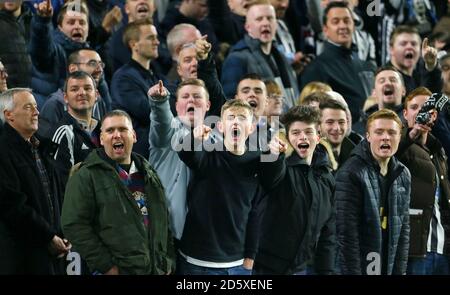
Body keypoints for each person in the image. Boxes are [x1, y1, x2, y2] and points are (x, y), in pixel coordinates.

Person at [176, 99, 284, 275]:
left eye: (242, 118)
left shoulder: (257, 161)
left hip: (237, 264)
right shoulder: (207, 154)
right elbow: (186, 154)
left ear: (251, 128)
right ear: (220, 126)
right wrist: (194, 138)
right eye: (231, 117)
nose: (236, 121)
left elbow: (259, 209)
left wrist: (276, 156)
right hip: (195, 260)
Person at [61, 110, 175, 275]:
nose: (116, 135)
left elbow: (163, 220)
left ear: (134, 136)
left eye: (122, 129)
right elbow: (73, 224)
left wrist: (168, 261)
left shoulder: (149, 172)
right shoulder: (86, 175)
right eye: (110, 130)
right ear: (101, 139)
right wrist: (106, 266)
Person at [254, 105, 336, 275]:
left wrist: (326, 271)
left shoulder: (327, 177)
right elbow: (269, 175)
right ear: (289, 138)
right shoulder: (280, 166)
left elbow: (329, 232)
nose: (302, 137)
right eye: (296, 133)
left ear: (318, 136)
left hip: (300, 268)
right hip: (264, 267)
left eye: (308, 131)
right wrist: (273, 155)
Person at [0, 88, 70, 274]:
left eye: (36, 107)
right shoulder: (3, 152)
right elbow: (12, 205)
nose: (37, 112)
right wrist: (47, 236)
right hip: (20, 257)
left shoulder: (42, 149)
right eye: (28, 107)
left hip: (50, 254)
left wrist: (60, 233)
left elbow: (56, 198)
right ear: (9, 115)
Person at [336, 109, 411, 275]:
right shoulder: (351, 172)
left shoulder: (403, 173)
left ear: (399, 136)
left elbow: (403, 232)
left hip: (386, 261)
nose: (386, 137)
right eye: (379, 132)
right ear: (368, 136)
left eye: (392, 132)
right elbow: (347, 235)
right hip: (364, 262)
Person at [148, 78, 213, 250]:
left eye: (197, 96)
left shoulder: (218, 139)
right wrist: (160, 102)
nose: (191, 100)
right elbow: (161, 121)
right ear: (176, 106)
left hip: (207, 234)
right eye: (185, 96)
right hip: (168, 232)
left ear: (207, 105)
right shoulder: (168, 133)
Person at [396, 87, 450, 275]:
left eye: (428, 108)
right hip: (415, 252)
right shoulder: (397, 145)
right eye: (415, 107)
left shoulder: (440, 150)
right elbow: (386, 156)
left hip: (443, 249)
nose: (422, 112)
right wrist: (412, 134)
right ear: (405, 113)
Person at [301, 1, 375, 122]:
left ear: (353, 25)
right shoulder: (316, 69)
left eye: (347, 21)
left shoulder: (366, 66)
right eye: (336, 22)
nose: (342, 26)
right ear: (325, 29)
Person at [221, 0, 299, 110]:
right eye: (259, 19)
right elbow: (230, 105)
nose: (265, 23)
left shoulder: (280, 56)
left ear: (276, 23)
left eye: (270, 18)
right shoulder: (236, 59)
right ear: (248, 27)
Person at [111, 18, 164, 158]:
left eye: (157, 38)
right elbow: (148, 112)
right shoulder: (123, 78)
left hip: (155, 149)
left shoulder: (153, 74)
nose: (157, 42)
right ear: (134, 44)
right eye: (151, 38)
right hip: (140, 154)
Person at [50, 71, 101, 187]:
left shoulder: (104, 128)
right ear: (65, 97)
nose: (82, 93)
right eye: (74, 89)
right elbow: (61, 183)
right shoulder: (62, 132)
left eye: (87, 88)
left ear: (96, 95)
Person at [387, 25, 442, 94]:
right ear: (391, 49)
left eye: (414, 44)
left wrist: (431, 66)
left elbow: (434, 98)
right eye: (403, 44)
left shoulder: (423, 68)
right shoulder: (386, 78)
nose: (409, 47)